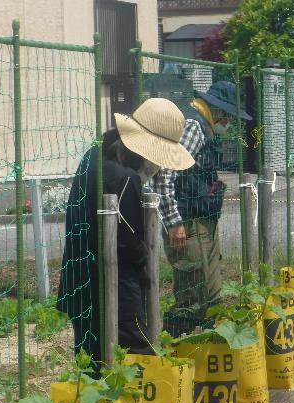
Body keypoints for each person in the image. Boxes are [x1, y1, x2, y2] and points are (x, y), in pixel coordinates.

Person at [56, 98, 194, 366]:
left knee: (92, 366)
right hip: (112, 290)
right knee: (135, 361)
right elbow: (130, 247)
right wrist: (146, 259)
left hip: (80, 284)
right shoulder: (125, 178)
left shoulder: (95, 155)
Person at [152, 81, 253, 335]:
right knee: (192, 296)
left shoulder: (204, 129)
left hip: (203, 220)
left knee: (211, 294)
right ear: (217, 110)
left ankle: (206, 354)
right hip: (187, 223)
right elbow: (164, 174)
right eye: (228, 116)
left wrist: (210, 181)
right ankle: (178, 354)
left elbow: (191, 171)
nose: (229, 123)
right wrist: (173, 222)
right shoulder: (193, 127)